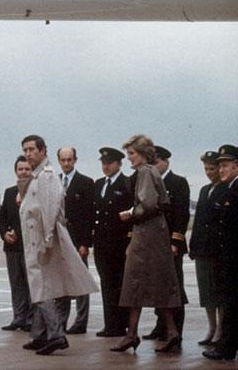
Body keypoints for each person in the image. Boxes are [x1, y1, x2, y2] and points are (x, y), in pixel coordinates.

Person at [18, 135, 97, 356]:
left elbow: (50, 209)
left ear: (44, 151)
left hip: (43, 241)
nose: (28, 153)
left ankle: (55, 335)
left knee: (43, 289)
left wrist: (47, 240)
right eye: (25, 150)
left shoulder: (47, 176)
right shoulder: (36, 176)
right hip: (34, 239)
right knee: (39, 287)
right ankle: (40, 334)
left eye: (32, 149)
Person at [110, 135, 182, 354]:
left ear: (142, 154)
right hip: (155, 233)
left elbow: (148, 204)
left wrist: (131, 213)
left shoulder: (144, 172)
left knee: (134, 282)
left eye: (132, 153)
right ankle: (171, 333)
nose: (129, 158)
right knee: (158, 283)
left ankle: (132, 334)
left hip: (147, 234)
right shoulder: (152, 171)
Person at [142, 146, 190, 342]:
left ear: (166, 162)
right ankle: (161, 326)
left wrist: (175, 241)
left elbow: (181, 214)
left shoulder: (178, 182)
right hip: (154, 244)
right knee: (158, 287)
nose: (154, 166)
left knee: (174, 287)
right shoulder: (151, 182)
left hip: (171, 244)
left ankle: (175, 329)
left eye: (156, 162)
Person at [92, 146, 134, 338]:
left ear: (118, 164)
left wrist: (130, 242)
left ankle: (121, 324)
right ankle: (110, 324)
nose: (106, 166)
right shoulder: (99, 184)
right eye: (103, 163)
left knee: (119, 284)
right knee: (106, 283)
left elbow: (133, 215)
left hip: (119, 243)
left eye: (109, 163)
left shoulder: (127, 184)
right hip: (102, 243)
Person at [203, 144, 238, 361]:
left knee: (232, 305)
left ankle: (226, 348)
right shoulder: (230, 188)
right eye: (220, 166)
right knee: (231, 304)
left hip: (235, 258)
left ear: (237, 165)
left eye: (225, 165)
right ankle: (227, 346)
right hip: (229, 257)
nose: (221, 170)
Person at [56, 146, 94, 334]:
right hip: (59, 241)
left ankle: (81, 321)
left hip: (78, 241)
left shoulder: (85, 183)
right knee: (61, 283)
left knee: (80, 282)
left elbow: (88, 215)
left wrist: (85, 243)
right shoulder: (54, 181)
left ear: (75, 160)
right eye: (63, 160)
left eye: (69, 159)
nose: (66, 163)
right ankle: (61, 320)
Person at [190, 150, 225, 347]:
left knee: (218, 291)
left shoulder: (226, 189)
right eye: (206, 169)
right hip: (202, 248)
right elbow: (198, 221)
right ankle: (211, 327)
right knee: (206, 292)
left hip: (216, 249)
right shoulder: (204, 190)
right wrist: (193, 245)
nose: (209, 173)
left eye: (212, 168)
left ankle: (220, 328)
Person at [0, 156, 32, 332]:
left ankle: (31, 319)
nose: (24, 172)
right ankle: (18, 317)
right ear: (16, 171)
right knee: (16, 283)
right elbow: (2, 217)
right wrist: (4, 233)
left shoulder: (35, 190)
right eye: (20, 169)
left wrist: (17, 231)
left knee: (30, 284)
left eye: (27, 169)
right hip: (12, 247)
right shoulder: (10, 192)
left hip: (29, 246)